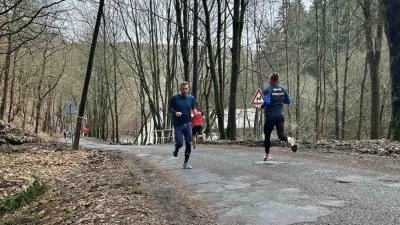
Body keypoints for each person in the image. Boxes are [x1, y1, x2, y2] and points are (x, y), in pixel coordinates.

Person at [260, 72, 297, 161]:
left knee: (267, 135)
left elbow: (267, 102)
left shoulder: (267, 90)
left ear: (271, 80)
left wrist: (261, 105)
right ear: (277, 80)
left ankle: (267, 155)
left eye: (269, 78)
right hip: (280, 116)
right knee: (281, 136)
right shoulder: (283, 89)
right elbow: (288, 101)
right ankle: (290, 139)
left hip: (270, 117)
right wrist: (279, 100)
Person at [168, 81, 196, 169]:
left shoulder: (191, 98)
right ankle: (176, 149)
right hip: (178, 124)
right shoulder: (175, 98)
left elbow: (193, 107)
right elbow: (169, 108)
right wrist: (175, 113)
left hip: (187, 123)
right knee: (180, 143)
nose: (184, 90)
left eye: (186, 89)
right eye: (183, 89)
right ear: (180, 89)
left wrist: (194, 111)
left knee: (188, 143)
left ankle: (186, 163)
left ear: (188, 89)